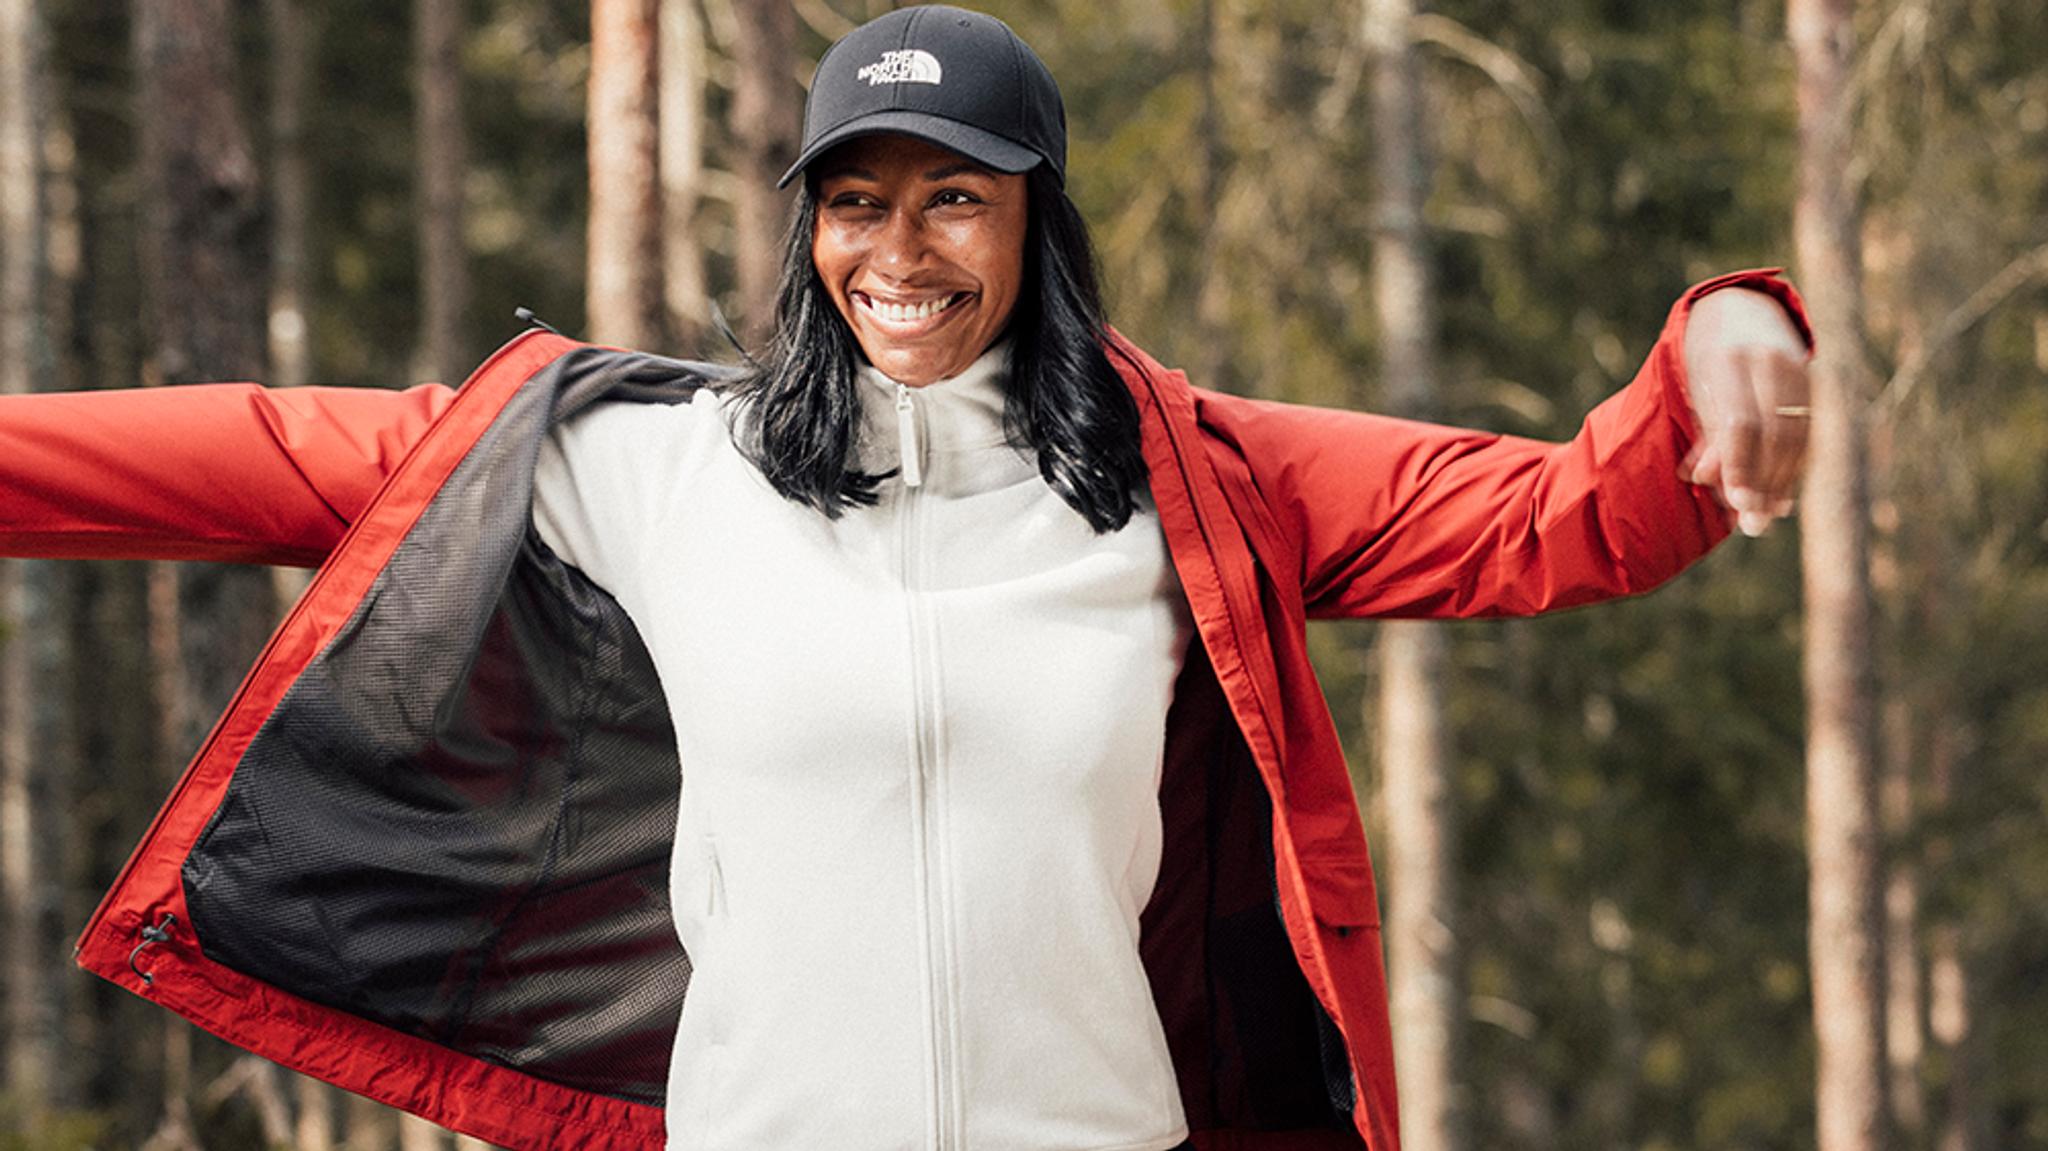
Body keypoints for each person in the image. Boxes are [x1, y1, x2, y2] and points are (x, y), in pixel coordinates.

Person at [4, 6, 1812, 1150]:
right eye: (855, 199)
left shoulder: (1191, 486)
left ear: (1037, 222)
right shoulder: (660, 467)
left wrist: (1727, 323)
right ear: (807, 225)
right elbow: (265, 450)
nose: (901, 247)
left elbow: (1562, 519)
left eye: (956, 196)